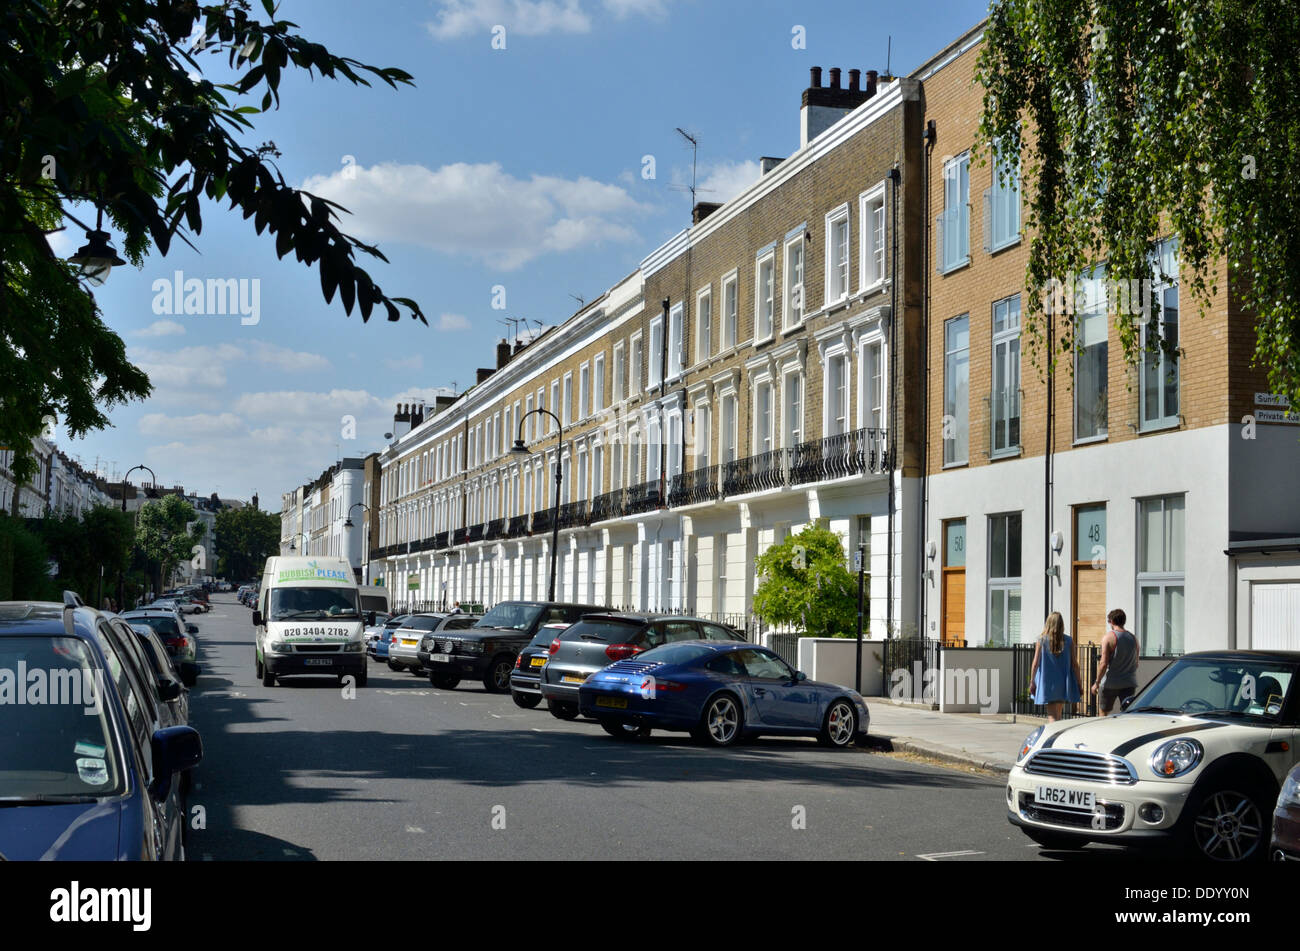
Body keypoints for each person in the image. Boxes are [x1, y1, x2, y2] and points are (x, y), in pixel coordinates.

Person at [1029, 611, 1083, 722]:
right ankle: (1057, 735)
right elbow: (1075, 664)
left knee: (1052, 716)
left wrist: (1032, 681)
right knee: (1058, 714)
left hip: (1047, 682)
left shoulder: (1042, 640)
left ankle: (1053, 737)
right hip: (1063, 683)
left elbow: (1035, 664)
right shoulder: (1068, 640)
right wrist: (1079, 683)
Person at [1093, 608, 1139, 715]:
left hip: (1110, 683)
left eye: (1109, 621)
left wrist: (1097, 683)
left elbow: (1103, 664)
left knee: (1103, 715)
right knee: (1127, 714)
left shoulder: (1108, 637)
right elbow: (1136, 663)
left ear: (1112, 621)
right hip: (1129, 683)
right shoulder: (1133, 638)